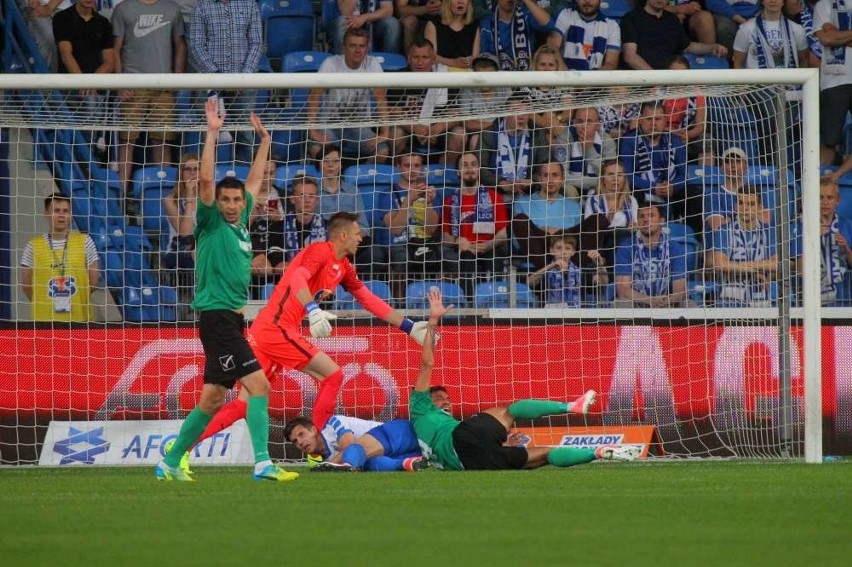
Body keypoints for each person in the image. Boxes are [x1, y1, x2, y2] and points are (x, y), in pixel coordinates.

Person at [177, 211, 435, 466]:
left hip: (266, 331)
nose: (362, 238)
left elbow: (367, 298)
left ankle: (182, 447)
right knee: (332, 375)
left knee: (246, 403)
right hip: (277, 329)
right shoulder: (319, 251)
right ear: (343, 235)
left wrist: (408, 326)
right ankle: (323, 448)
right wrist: (312, 309)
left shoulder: (343, 267)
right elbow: (298, 275)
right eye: (358, 233)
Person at [156, 99, 299, 482]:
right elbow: (204, 181)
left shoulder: (240, 223)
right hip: (217, 317)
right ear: (216, 203)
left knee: (212, 398)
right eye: (227, 199)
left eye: (237, 200)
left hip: (232, 319)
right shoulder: (211, 222)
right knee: (258, 385)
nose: (233, 204)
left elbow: (253, 183)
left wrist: (265, 142)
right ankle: (263, 462)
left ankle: (169, 461)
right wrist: (213, 132)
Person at [410, 288, 641, 470]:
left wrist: (500, 445)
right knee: (508, 411)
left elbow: (468, 451)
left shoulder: (430, 443)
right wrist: (432, 321)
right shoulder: (420, 407)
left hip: (474, 464)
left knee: (545, 455)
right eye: (440, 398)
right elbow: (426, 364)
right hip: (461, 440)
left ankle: (598, 452)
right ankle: (571, 406)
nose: (447, 402)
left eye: (448, 399)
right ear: (426, 400)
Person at [112, 0, 186, 199]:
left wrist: (177, 77)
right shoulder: (123, 9)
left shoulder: (172, 9)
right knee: (127, 141)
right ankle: (122, 196)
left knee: (162, 142)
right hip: (133, 85)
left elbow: (179, 44)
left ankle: (167, 196)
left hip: (163, 86)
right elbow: (116, 49)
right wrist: (120, 83)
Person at [189, 0, 262, 161]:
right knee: (209, 135)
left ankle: (244, 181)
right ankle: (208, 181)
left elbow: (256, 44)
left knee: (244, 135)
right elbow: (196, 46)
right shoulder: (201, 5)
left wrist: (243, 77)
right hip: (210, 84)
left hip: (244, 85)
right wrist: (218, 77)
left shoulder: (250, 4)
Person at [307, 27, 391, 162]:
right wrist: (313, 130)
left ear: (367, 48)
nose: (358, 50)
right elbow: (314, 96)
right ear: (344, 48)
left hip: (359, 127)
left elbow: (381, 98)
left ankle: (358, 178)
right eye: (353, 46)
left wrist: (384, 132)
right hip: (330, 124)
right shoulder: (331, 63)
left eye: (362, 46)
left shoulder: (372, 64)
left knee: (382, 150)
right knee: (317, 149)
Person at [20, 193, 100, 322]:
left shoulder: (85, 241)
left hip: (79, 321)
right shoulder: (33, 246)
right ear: (46, 214)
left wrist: (76, 298)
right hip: (44, 323)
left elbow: (94, 281)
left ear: (70, 214)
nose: (61, 215)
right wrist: (44, 301)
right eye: (56, 211)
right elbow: (26, 286)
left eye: (65, 211)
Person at [250, 176, 327, 299]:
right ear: (292, 199)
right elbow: (279, 265)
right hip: (286, 289)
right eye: (302, 196)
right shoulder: (279, 227)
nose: (307, 200)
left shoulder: (327, 227)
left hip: (319, 288)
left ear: (317, 200)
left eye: (311, 196)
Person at [442, 151, 510, 289]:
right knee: (466, 257)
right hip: (463, 250)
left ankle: (494, 301)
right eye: (464, 165)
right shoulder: (449, 201)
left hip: (490, 247)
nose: (469, 169)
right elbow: (444, 236)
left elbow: (503, 235)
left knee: (493, 258)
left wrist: (488, 245)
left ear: (478, 170)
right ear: (458, 172)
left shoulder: (494, 197)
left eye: (473, 165)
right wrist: (458, 241)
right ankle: (469, 304)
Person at [707, 183, 778, 307]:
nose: (745, 208)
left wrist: (741, 266)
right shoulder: (724, 230)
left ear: (759, 207)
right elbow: (720, 264)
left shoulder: (769, 231)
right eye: (741, 203)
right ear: (735, 206)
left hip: (760, 299)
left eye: (750, 204)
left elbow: (776, 263)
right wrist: (757, 269)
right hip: (730, 301)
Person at [614, 202, 691, 308]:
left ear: (661, 221)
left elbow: (680, 289)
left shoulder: (674, 247)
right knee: (622, 303)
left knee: (689, 304)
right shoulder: (626, 247)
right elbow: (623, 290)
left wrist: (668, 300)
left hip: (667, 304)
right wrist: (651, 300)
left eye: (651, 215)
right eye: (642, 216)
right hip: (636, 304)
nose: (645, 219)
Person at [284, 415, 426, 472]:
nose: (301, 442)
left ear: (313, 430)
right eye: (295, 441)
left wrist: (329, 466)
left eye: (301, 434)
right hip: (397, 455)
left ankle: (348, 466)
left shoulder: (333, 424)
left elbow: (348, 445)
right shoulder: (326, 459)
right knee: (370, 465)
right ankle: (407, 463)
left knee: (353, 453)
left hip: (397, 435)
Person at [52, 0, 114, 128]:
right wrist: (83, 82)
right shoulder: (62, 18)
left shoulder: (103, 23)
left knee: (90, 136)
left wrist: (91, 82)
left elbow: (109, 61)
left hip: (95, 89)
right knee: (73, 136)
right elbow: (66, 54)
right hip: (70, 88)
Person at [618, 102, 688, 212]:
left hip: (670, 191)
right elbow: (627, 175)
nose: (653, 124)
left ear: (665, 120)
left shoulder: (675, 141)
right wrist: (653, 187)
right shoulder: (629, 140)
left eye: (658, 119)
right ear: (640, 120)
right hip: (641, 192)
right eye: (649, 119)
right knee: (631, 191)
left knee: (693, 194)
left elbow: (683, 174)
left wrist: (673, 186)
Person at [621, 0, 728, 70]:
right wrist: (655, 78)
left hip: (671, 81)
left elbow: (687, 46)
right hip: (643, 80)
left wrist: (712, 47)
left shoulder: (671, 19)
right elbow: (630, 56)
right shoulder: (631, 18)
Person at [792, 179, 852, 305]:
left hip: (843, 299)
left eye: (830, 198)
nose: (825, 202)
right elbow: (799, 269)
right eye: (820, 197)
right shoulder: (802, 227)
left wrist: (846, 249)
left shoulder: (847, 225)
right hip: (811, 301)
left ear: (838, 200)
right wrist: (811, 239)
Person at [525, 0, 621, 71]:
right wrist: (567, 78)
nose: (587, 1)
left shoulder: (612, 25)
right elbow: (553, 46)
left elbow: (611, 64)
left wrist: (590, 82)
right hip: (564, 84)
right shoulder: (565, 14)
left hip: (594, 86)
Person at [814, 0, 852, 165]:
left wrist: (840, 35)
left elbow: (834, 37)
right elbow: (827, 39)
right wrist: (834, 36)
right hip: (834, 80)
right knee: (829, 140)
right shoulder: (824, 5)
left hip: (836, 77)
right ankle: (820, 187)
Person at [479, 0, 557, 71]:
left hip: (526, 78)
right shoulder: (487, 23)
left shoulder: (526, 16)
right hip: (500, 80)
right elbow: (484, 59)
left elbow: (549, 25)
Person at [527, 234, 586, 307]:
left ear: (573, 252)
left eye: (567, 248)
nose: (563, 252)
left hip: (575, 314)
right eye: (559, 248)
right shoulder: (546, 270)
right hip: (551, 314)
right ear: (551, 250)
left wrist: (600, 265)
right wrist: (551, 266)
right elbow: (529, 282)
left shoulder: (579, 270)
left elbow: (602, 282)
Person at [423, 0, 480, 71]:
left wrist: (467, 62)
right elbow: (430, 57)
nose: (460, 2)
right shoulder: (433, 23)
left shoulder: (474, 25)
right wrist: (453, 62)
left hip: (466, 72)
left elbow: (475, 58)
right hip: (440, 72)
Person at [584, 159, 639, 230]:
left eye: (619, 175)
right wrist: (606, 222)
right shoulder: (593, 201)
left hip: (626, 239)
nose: (615, 178)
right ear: (603, 179)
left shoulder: (631, 200)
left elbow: (638, 227)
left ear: (624, 179)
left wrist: (635, 228)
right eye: (610, 174)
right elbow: (588, 230)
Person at [334, 0, 401, 55]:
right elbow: (345, 12)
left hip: (375, 23)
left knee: (392, 24)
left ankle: (389, 67)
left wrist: (364, 18)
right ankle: (342, 66)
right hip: (352, 23)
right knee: (342, 22)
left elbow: (388, 10)